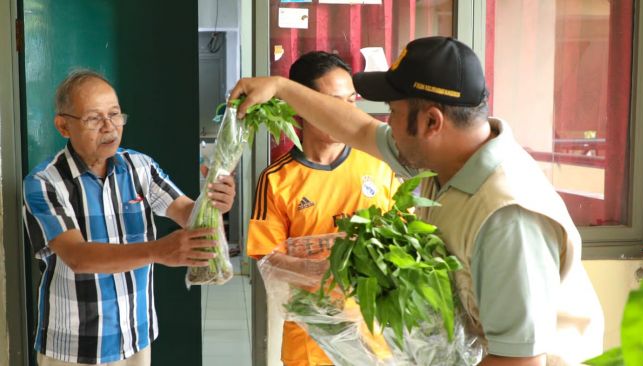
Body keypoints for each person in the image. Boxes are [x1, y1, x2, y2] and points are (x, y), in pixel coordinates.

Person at [232, 37, 604, 365]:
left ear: (431, 122)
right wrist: (280, 87)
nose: (384, 124)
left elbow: (519, 360)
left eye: (392, 114)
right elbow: (356, 128)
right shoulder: (446, 161)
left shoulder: (507, 217)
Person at [22, 69, 235, 366]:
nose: (109, 127)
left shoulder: (139, 166)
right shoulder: (43, 182)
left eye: (115, 115)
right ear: (63, 126)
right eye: (94, 118)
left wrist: (214, 203)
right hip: (75, 345)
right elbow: (78, 256)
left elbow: (188, 212)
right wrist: (159, 250)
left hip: (135, 335)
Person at [246, 51, 401, 366]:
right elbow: (268, 262)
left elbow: (403, 233)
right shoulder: (277, 180)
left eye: (350, 102)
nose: (344, 113)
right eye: (332, 102)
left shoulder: (380, 164)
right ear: (302, 106)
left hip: (376, 338)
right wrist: (319, 270)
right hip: (311, 342)